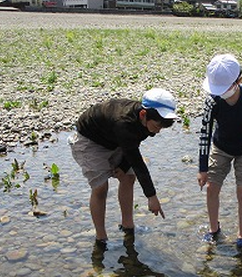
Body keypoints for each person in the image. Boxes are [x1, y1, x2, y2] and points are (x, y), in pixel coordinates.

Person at [69, 88, 178, 250]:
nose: (158, 131)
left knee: (128, 177)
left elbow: (133, 145)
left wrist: (123, 166)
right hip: (89, 141)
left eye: (162, 127)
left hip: (116, 140)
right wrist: (152, 196)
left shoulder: (147, 121)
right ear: (143, 114)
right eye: (157, 126)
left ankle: (128, 226)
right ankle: (101, 238)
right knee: (100, 187)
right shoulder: (124, 123)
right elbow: (137, 161)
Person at [197, 54, 242, 249]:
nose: (221, 93)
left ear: (239, 81)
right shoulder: (212, 101)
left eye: (225, 88)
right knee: (211, 187)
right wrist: (202, 167)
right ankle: (213, 229)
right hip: (221, 147)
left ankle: (241, 235)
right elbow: (205, 133)